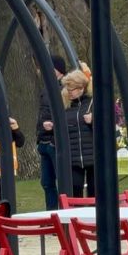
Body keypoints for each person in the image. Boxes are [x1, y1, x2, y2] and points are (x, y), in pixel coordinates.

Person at [35, 55, 67, 209]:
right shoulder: (47, 88)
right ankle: (51, 213)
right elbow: (42, 113)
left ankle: (63, 212)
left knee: (62, 181)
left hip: (54, 141)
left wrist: (55, 126)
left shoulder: (65, 88)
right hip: (44, 140)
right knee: (47, 183)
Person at [61, 70, 95, 198]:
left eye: (72, 89)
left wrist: (93, 121)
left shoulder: (93, 103)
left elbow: (107, 125)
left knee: (95, 191)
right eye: (67, 88)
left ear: (81, 88)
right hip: (73, 157)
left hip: (93, 156)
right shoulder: (65, 105)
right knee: (74, 190)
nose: (69, 92)